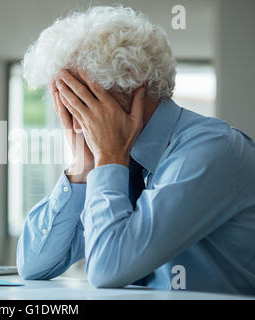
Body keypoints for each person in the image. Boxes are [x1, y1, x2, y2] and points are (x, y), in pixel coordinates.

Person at [16, 5, 255, 295]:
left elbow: (108, 269)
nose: (71, 115)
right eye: (63, 99)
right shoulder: (120, 158)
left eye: (80, 96)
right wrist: (82, 167)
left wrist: (109, 160)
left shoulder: (210, 151)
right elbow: (32, 265)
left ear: (131, 82)